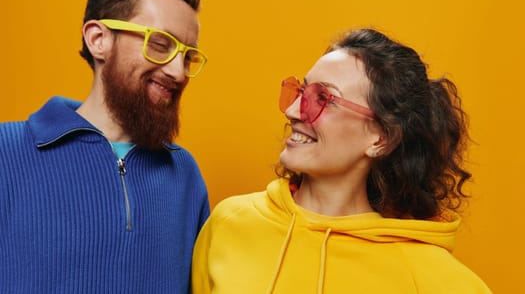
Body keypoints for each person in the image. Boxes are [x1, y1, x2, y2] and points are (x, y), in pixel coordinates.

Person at [192, 28, 491, 293]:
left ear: (381, 138)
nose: (294, 110)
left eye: (324, 99)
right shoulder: (230, 223)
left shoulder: (432, 277)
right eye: (301, 91)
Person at [0, 0, 210, 293]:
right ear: (99, 39)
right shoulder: (5, 152)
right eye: (160, 44)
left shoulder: (184, 174)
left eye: (188, 56)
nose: (178, 72)